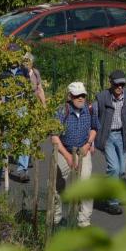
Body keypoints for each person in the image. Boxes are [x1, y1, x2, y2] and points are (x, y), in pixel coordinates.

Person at [50, 81, 99, 228]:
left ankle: (84, 221)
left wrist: (88, 144)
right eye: (77, 96)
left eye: (83, 95)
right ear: (70, 96)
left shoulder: (89, 110)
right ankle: (56, 219)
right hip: (64, 149)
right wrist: (67, 156)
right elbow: (54, 137)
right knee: (56, 186)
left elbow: (94, 129)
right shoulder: (61, 111)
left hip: (83, 150)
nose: (80, 98)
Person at [93, 69, 126, 215]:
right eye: (117, 84)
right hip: (107, 137)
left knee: (122, 171)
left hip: (124, 136)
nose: (120, 87)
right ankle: (113, 202)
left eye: (122, 84)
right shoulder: (102, 97)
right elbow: (93, 117)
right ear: (111, 83)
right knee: (114, 168)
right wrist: (91, 140)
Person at [10, 51, 47, 183]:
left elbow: (39, 88)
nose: (26, 64)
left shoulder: (35, 73)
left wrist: (44, 105)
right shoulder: (19, 74)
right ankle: (20, 158)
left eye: (28, 61)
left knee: (28, 136)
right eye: (24, 61)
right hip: (20, 106)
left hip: (32, 106)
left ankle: (23, 166)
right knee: (19, 136)